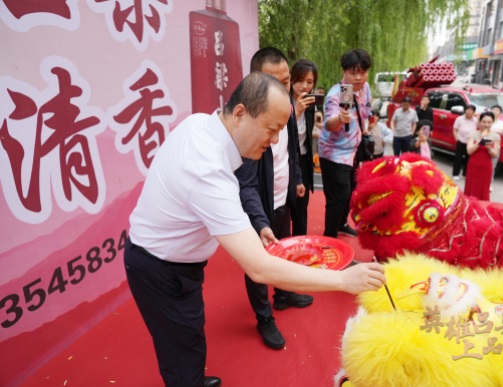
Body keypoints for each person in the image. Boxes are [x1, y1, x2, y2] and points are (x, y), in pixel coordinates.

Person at [124, 72, 386, 387]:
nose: (275, 140)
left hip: (175, 261)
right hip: (160, 268)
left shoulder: (203, 125)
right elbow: (259, 268)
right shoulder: (204, 166)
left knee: (189, 335)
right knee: (181, 344)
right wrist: (342, 280)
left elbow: (222, 198)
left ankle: (190, 376)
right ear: (240, 114)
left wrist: (254, 227)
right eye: (272, 129)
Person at [235, 48, 312, 351]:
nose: (282, 90)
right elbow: (246, 184)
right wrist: (259, 221)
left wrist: (298, 181)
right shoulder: (250, 123)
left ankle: (282, 293)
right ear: (255, 82)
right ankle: (263, 315)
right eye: (274, 83)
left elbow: (292, 150)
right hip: (258, 207)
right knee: (258, 262)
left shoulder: (287, 109)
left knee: (286, 249)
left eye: (285, 82)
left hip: (284, 198)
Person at [319, 48, 373, 238]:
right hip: (334, 154)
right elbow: (330, 124)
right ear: (344, 71)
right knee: (338, 197)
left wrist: (366, 128)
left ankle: (341, 224)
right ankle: (329, 238)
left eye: (363, 72)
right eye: (353, 72)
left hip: (354, 151)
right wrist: (340, 119)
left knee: (351, 194)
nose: (358, 77)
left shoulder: (365, 89)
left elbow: (366, 112)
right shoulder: (336, 94)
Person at [290, 58, 318, 236]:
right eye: (300, 80)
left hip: (303, 160)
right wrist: (295, 111)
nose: (304, 86)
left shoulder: (310, 105)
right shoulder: (280, 101)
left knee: (301, 211)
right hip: (284, 160)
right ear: (291, 80)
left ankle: (300, 246)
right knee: (283, 208)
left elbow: (305, 134)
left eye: (309, 82)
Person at [464, 111, 500, 201]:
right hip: (473, 165)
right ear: (479, 122)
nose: (486, 124)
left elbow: (495, 154)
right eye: (484, 122)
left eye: (489, 122)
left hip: (486, 167)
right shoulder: (473, 134)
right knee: (471, 188)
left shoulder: (496, 136)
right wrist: (480, 141)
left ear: (493, 122)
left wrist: (489, 148)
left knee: (483, 189)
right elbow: (469, 151)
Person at [451, 104, 478, 181]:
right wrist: (457, 139)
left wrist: (478, 117)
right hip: (461, 140)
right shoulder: (460, 119)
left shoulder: (475, 120)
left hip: (470, 142)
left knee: (468, 158)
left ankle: (465, 174)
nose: (469, 111)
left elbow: (480, 126)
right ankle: (455, 174)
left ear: (473, 112)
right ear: (465, 110)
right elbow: (455, 129)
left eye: (471, 110)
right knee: (458, 158)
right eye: (467, 109)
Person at [489, 104, 503, 190]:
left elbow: (500, 131)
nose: (495, 111)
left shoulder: (501, 123)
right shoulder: (487, 120)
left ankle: (490, 184)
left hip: (495, 146)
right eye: (493, 109)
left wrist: (490, 130)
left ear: (500, 113)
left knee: (492, 166)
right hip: (486, 144)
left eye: (497, 110)